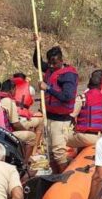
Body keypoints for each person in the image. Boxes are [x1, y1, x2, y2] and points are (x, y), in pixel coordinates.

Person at [33, 42, 79, 173]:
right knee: (50, 152)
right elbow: (38, 63)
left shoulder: (68, 75)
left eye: (54, 63)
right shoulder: (51, 69)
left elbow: (67, 96)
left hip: (61, 120)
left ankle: (65, 178)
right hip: (49, 118)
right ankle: (55, 176)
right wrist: (37, 46)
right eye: (50, 63)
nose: (51, 66)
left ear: (61, 60)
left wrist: (47, 88)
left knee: (59, 153)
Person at [0, 79, 42, 162]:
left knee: (28, 129)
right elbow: (15, 124)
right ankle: (25, 162)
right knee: (32, 136)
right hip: (6, 132)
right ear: (12, 89)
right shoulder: (9, 101)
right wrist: (26, 131)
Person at [68, 70, 102, 148]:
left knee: (61, 138)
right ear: (100, 86)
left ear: (88, 85)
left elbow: (71, 117)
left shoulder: (82, 97)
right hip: (100, 137)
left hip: (84, 137)